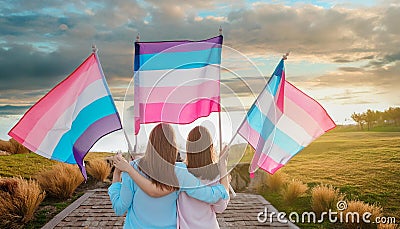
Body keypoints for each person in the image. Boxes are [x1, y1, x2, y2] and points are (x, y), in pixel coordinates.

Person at [108, 123, 228, 229]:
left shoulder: (132, 169)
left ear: (150, 144)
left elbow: (120, 208)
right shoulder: (179, 172)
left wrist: (117, 174)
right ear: (173, 146)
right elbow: (210, 195)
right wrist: (223, 177)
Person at [178, 126, 230, 229]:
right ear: (210, 148)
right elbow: (220, 207)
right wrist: (223, 165)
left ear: (189, 148)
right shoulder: (214, 175)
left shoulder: (181, 173)